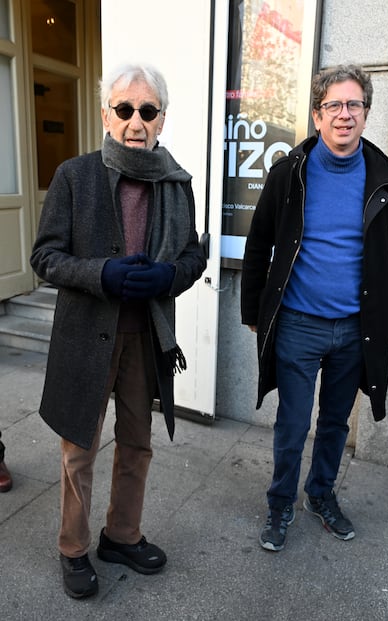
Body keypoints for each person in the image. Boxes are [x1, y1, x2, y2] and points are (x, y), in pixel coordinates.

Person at [30, 62, 206, 598]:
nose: (136, 121)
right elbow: (44, 257)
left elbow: (194, 254)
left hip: (145, 338)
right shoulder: (74, 176)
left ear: (161, 118)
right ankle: (74, 549)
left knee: (137, 443)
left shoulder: (176, 183)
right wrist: (100, 273)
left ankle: (121, 534)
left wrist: (169, 275)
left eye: (147, 111)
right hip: (86, 337)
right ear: (106, 114)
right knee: (78, 449)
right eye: (125, 109)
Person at [241, 64, 388, 552]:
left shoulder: (383, 178)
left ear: (366, 114)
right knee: (293, 423)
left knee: (335, 422)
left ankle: (320, 494)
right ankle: (279, 503)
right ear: (317, 115)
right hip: (297, 323)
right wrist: (254, 309)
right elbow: (259, 245)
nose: (344, 114)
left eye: (354, 104)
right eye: (333, 105)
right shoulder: (288, 173)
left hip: (355, 328)